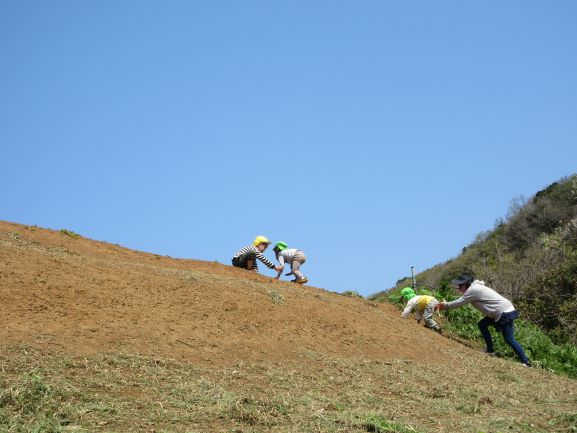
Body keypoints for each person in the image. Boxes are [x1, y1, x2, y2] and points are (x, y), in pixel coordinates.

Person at [436, 275, 531, 366]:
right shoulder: (474, 288)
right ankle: (490, 350)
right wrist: (446, 304)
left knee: (509, 339)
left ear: (466, 284)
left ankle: (526, 362)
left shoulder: (473, 290)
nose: (459, 288)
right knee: (482, 324)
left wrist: (445, 305)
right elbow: (461, 300)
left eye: (460, 286)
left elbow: (459, 302)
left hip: (504, 312)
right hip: (499, 311)